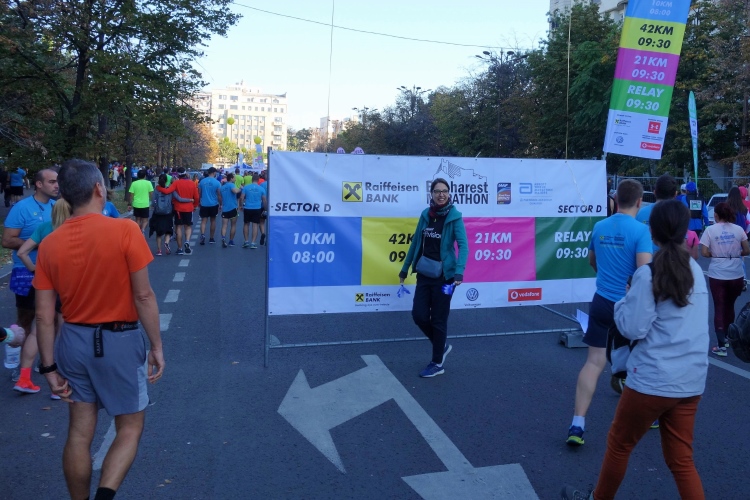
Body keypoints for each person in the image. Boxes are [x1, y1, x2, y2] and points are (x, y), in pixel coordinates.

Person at [34, 159, 165, 500]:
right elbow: (143, 295)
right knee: (130, 426)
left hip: (73, 341)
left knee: (79, 433)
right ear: (98, 189)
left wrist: (48, 367)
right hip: (118, 340)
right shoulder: (125, 231)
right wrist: (156, 346)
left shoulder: (50, 244)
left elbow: (44, 316)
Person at [562, 200, 709, 500]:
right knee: (681, 460)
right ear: (685, 232)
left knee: (619, 444)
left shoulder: (648, 274)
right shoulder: (695, 270)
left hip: (652, 379)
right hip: (691, 379)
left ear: (652, 232)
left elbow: (632, 328)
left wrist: (623, 301)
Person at [566, 179, 652, 446]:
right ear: (639, 202)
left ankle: (577, 424)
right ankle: (645, 416)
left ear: (616, 199)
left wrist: (606, 277)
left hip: (602, 300)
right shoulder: (641, 230)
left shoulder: (600, 226)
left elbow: (592, 261)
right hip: (629, 305)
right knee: (639, 362)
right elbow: (644, 273)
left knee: (593, 363)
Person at [399, 178, 469, 378]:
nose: (441, 194)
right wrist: (405, 268)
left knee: (439, 319)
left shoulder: (454, 217)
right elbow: (415, 243)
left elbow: (463, 246)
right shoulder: (425, 215)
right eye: (437, 191)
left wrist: (459, 271)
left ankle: (437, 363)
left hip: (446, 280)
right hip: (424, 275)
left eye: (444, 191)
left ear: (449, 193)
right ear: (431, 194)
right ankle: (442, 345)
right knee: (419, 315)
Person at [1, 168, 58, 393]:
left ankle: (44, 360)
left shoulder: (57, 207)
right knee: (26, 318)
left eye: (57, 182)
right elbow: (7, 240)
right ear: (38, 184)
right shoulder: (21, 208)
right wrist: (38, 243)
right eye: (51, 182)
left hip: (51, 272)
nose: (56, 185)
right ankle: (19, 365)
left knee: (51, 319)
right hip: (25, 271)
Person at [700, 202, 750, 356]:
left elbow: (704, 252)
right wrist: (735, 254)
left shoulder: (710, 230)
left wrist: (715, 254)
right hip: (736, 273)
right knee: (730, 305)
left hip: (718, 273)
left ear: (716, 215)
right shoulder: (738, 229)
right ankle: (729, 336)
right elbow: (747, 249)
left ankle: (721, 345)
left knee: (719, 306)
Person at [150, 174, 192, 256]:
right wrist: (189, 200)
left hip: (157, 213)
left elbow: (153, 201)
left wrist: (156, 206)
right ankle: (166, 242)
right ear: (167, 180)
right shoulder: (170, 189)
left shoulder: (156, 189)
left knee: (158, 233)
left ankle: (159, 250)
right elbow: (179, 199)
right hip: (168, 212)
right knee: (168, 231)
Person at [170, 167, 199, 255]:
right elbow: (196, 197)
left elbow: (169, 191)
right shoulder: (192, 183)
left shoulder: (176, 183)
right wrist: (195, 205)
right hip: (189, 208)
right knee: (188, 226)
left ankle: (179, 248)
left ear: (178, 175)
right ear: (185, 174)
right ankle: (187, 241)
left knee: (178, 227)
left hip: (178, 208)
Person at [239, 173, 267, 249]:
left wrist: (241, 206)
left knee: (246, 224)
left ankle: (246, 241)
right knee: (255, 225)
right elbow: (264, 200)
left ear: (252, 180)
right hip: (257, 208)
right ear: (258, 180)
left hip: (247, 207)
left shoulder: (246, 187)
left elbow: (241, 198)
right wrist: (265, 209)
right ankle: (253, 243)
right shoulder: (261, 189)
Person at [198, 167, 222, 245]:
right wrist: (220, 204)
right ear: (214, 173)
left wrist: (199, 202)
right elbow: (219, 194)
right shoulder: (217, 182)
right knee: (213, 221)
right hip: (213, 204)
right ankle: (211, 238)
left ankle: (202, 234)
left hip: (204, 203)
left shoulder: (202, 181)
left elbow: (199, 193)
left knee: (203, 221)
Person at [128, 169, 153, 235]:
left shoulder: (134, 183)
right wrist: (153, 202)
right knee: (145, 220)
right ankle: (143, 230)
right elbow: (151, 194)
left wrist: (129, 204)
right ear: (145, 176)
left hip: (136, 204)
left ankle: (138, 231)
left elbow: (131, 195)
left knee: (137, 219)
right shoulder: (148, 183)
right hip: (145, 204)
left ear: (138, 176)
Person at [219, 173, 241, 247]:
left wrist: (220, 205)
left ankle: (223, 238)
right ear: (231, 178)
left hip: (225, 208)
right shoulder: (232, 185)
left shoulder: (222, 187)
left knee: (224, 225)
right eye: (234, 178)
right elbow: (235, 191)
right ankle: (231, 241)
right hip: (233, 208)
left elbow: (220, 197)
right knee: (233, 225)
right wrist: (240, 189)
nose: (235, 179)